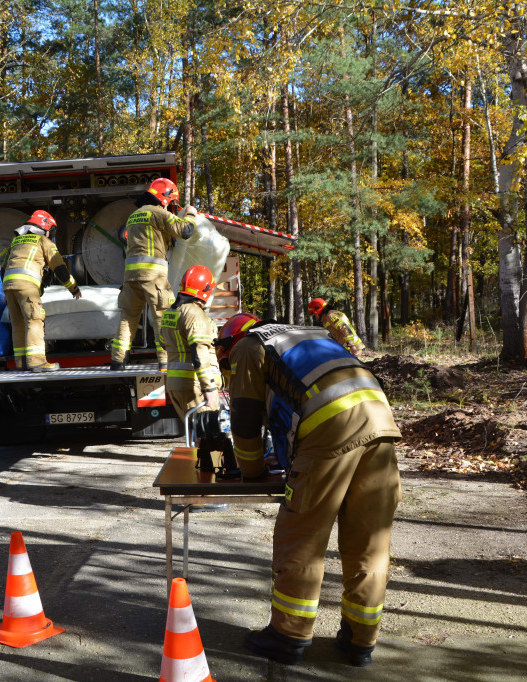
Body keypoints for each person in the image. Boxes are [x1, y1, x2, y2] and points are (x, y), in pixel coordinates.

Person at [215, 313, 402, 668]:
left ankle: (288, 635)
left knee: (301, 534)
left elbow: (245, 417)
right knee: (369, 540)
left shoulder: (250, 346)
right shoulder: (306, 335)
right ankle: (359, 641)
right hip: (381, 421)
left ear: (231, 343)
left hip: (331, 426)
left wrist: (251, 471)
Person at [109, 178, 198, 371]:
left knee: (128, 317)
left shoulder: (134, 216)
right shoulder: (158, 213)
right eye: (171, 202)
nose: (171, 207)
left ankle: (117, 361)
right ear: (165, 198)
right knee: (161, 317)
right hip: (153, 275)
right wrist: (190, 214)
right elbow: (186, 231)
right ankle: (165, 363)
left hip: (130, 277)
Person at [1, 210, 81, 372]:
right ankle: (37, 362)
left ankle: (21, 363)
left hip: (9, 286)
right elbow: (59, 268)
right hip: (27, 286)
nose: (50, 233)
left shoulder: (16, 241)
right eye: (50, 229)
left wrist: (5, 292)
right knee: (34, 320)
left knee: (18, 324)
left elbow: (3, 269)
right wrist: (73, 288)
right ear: (45, 226)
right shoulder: (43, 241)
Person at [160, 265, 222, 420]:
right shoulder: (195, 313)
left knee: (196, 434)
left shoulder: (170, 312)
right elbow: (199, 352)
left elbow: (162, 342)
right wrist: (208, 388)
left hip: (175, 384)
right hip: (194, 385)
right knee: (209, 436)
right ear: (205, 291)